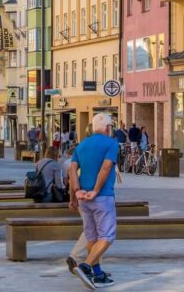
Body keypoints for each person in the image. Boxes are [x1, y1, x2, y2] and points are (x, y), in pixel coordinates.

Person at [67, 112, 119, 288]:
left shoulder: (81, 145)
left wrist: (75, 192)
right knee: (106, 236)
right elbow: (106, 168)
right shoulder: (111, 143)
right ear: (107, 127)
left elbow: (72, 170)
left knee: (91, 236)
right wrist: (96, 190)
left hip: (83, 198)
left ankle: (98, 275)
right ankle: (86, 266)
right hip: (102, 196)